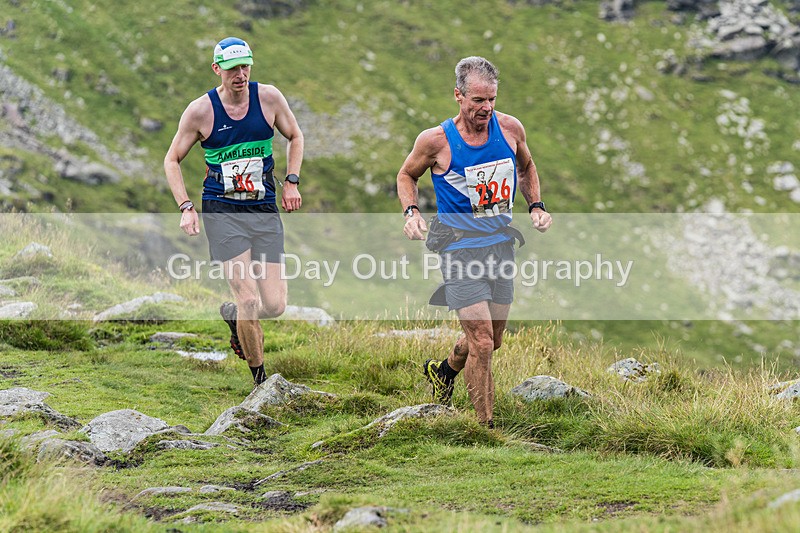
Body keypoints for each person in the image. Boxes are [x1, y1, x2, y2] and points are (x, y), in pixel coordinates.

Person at [396, 56, 552, 427]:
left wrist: (536, 206)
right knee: (482, 343)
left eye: (492, 100)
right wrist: (411, 213)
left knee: (492, 339)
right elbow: (406, 175)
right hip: (458, 248)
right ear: (458, 96)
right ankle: (484, 429)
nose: (486, 108)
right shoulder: (435, 141)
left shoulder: (511, 129)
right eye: (478, 100)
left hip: (500, 245)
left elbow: (527, 166)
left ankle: (445, 370)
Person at [164, 37, 304, 387]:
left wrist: (291, 181)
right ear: (217, 70)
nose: (240, 74)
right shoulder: (200, 111)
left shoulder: (269, 98)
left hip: (262, 208)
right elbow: (171, 160)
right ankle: (260, 382)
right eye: (232, 69)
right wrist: (186, 207)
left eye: (245, 66)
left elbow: (295, 136)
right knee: (248, 298)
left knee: (275, 306)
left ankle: (233, 318)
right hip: (222, 210)